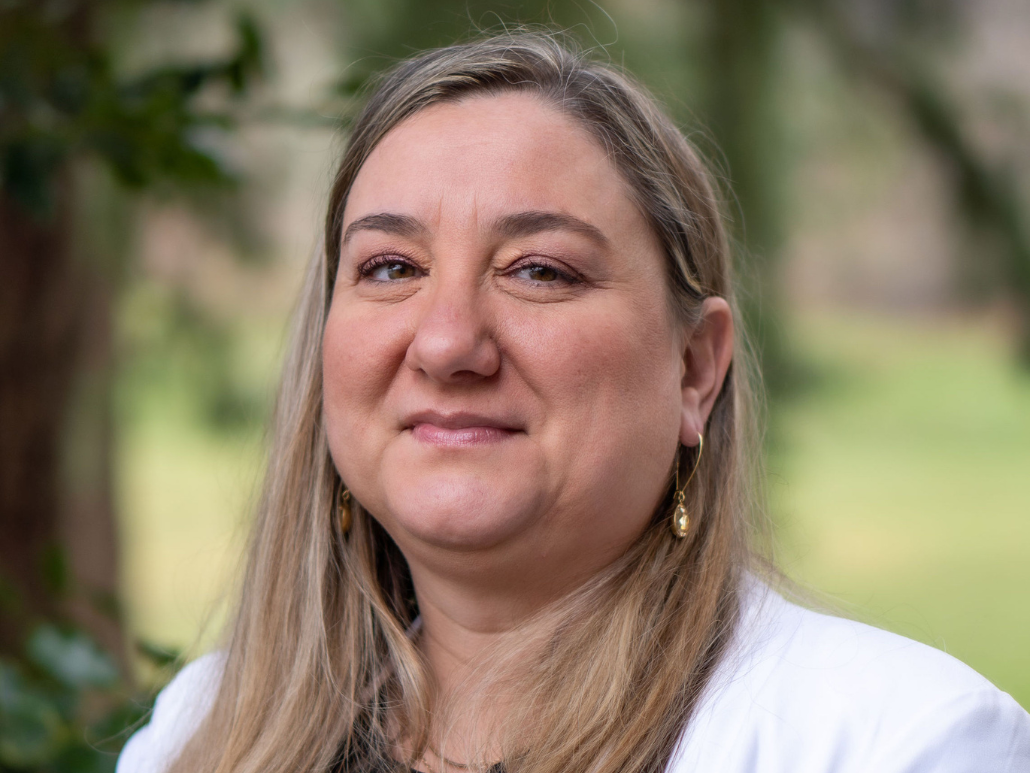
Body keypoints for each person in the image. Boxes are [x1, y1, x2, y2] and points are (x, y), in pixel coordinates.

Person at [116, 31, 1030, 773]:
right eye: (391, 267)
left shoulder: (902, 741)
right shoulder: (200, 735)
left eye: (539, 271)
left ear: (694, 370)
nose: (446, 344)